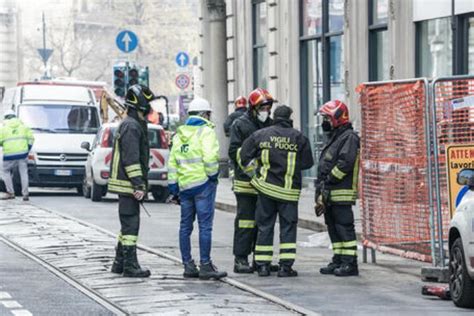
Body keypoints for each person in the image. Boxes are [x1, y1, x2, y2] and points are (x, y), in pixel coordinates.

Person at [240, 105, 314, 277]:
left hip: (265, 190)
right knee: (288, 228)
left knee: (265, 227)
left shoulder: (261, 134)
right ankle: (285, 267)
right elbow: (308, 163)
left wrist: (254, 176)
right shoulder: (299, 137)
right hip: (288, 192)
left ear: (274, 116)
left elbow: (244, 156)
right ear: (290, 118)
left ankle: (263, 266)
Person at [168, 97, 227, 280]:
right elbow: (210, 159)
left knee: (185, 227)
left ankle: (188, 265)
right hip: (203, 185)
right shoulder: (206, 132)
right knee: (205, 227)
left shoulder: (179, 135)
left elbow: (172, 163)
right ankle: (205, 265)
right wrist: (212, 176)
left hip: (185, 187)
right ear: (204, 114)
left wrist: (174, 188)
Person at [228, 87, 276, 273]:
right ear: (253, 108)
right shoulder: (240, 125)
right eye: (262, 107)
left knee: (262, 223)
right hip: (245, 183)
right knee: (245, 222)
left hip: (265, 184)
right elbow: (234, 151)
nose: (266, 111)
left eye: (268, 107)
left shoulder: (270, 124)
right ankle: (241, 259)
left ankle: (260, 259)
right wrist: (252, 169)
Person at [109, 84, 154, 278]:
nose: (151, 109)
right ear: (141, 105)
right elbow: (131, 159)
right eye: (148, 105)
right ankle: (130, 265)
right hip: (128, 185)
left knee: (127, 224)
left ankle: (119, 263)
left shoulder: (133, 124)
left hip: (127, 184)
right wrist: (138, 184)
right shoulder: (131, 126)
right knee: (131, 226)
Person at [314, 100, 360, 277]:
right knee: (332, 227)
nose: (324, 122)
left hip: (341, 191)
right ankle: (339, 258)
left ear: (337, 118)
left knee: (343, 227)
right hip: (330, 192)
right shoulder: (335, 136)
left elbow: (345, 164)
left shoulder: (349, 137)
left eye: (327, 118)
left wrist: (329, 180)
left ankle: (350, 263)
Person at [0, 110, 34, 201]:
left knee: (5, 171)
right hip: (22, 153)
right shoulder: (24, 126)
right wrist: (27, 150)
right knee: (23, 172)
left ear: (6, 117)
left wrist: (5, 145)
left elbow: (0, 141)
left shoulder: (3, 128)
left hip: (9, 155)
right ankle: (25, 194)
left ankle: (10, 192)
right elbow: (31, 139)